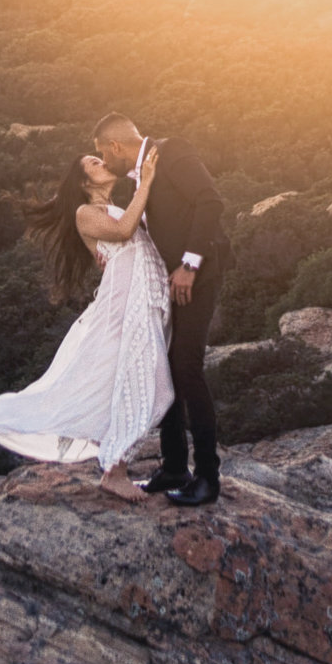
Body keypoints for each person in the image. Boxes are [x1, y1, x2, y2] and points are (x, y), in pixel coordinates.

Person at [0, 144, 174, 501]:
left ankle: (115, 466)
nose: (102, 162)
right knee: (141, 385)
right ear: (83, 181)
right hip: (120, 312)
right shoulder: (85, 212)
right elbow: (125, 231)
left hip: (139, 306)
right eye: (94, 162)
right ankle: (115, 470)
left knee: (134, 386)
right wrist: (148, 182)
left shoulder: (113, 207)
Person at [94, 114, 231, 507]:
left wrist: (189, 265)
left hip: (196, 278)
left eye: (103, 153)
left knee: (187, 368)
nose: (103, 162)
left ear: (117, 147)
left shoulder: (171, 151)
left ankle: (208, 477)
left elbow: (210, 202)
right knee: (164, 366)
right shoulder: (142, 174)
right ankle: (174, 467)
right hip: (166, 284)